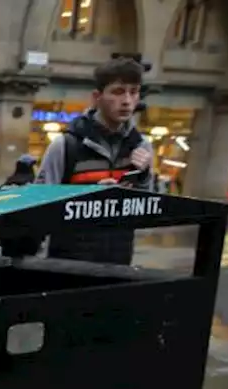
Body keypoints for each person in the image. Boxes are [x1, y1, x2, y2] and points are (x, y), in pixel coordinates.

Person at [35, 57, 154, 265]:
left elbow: (146, 213)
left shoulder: (141, 146)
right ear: (97, 97)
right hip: (68, 265)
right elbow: (39, 207)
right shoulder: (66, 145)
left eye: (133, 92)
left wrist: (143, 177)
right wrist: (88, 196)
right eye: (117, 92)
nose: (127, 101)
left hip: (118, 262)